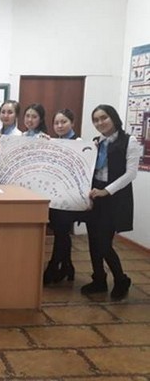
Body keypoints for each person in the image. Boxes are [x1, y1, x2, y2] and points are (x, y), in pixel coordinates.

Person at [81, 104, 139, 300]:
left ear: (113, 117)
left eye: (103, 117)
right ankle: (99, 279)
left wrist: (107, 191)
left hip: (114, 197)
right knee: (92, 241)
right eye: (96, 120)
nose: (100, 122)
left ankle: (121, 279)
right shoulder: (96, 142)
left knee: (104, 243)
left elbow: (130, 174)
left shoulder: (129, 141)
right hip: (95, 195)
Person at [43, 109, 83, 284]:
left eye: (64, 122)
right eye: (56, 123)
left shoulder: (79, 143)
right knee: (61, 232)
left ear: (72, 123)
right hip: (55, 195)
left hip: (70, 197)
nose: (59, 126)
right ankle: (67, 266)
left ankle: (54, 267)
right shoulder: (55, 142)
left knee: (62, 232)